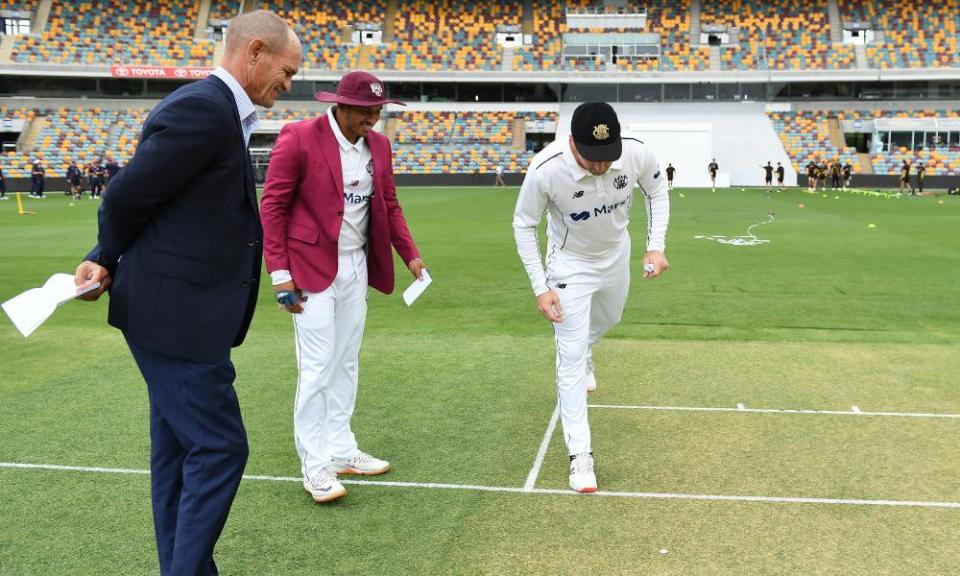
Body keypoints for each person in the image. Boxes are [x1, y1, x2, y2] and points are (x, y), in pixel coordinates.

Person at [73, 11, 302, 575]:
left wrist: (108, 257)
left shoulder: (219, 111)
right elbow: (126, 196)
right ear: (254, 51)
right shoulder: (204, 110)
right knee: (222, 448)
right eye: (287, 71)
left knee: (178, 454)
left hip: (179, 315)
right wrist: (104, 255)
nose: (289, 84)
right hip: (175, 319)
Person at [260, 70, 426, 504]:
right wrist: (280, 275)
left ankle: (340, 449)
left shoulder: (379, 146)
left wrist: (408, 253)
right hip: (309, 269)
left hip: (356, 267)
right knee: (316, 367)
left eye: (378, 111)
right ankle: (314, 466)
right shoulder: (299, 138)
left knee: (346, 360)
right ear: (341, 106)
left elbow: (389, 203)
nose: (373, 119)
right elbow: (273, 207)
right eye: (366, 112)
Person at [512, 102, 669, 493]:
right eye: (591, 158)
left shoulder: (635, 150)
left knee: (611, 318)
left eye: (606, 158)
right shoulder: (545, 170)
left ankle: (585, 350)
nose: (600, 166)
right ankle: (580, 457)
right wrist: (540, 286)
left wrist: (655, 246)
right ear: (571, 143)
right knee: (569, 355)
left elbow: (656, 190)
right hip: (570, 265)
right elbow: (524, 225)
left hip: (615, 253)